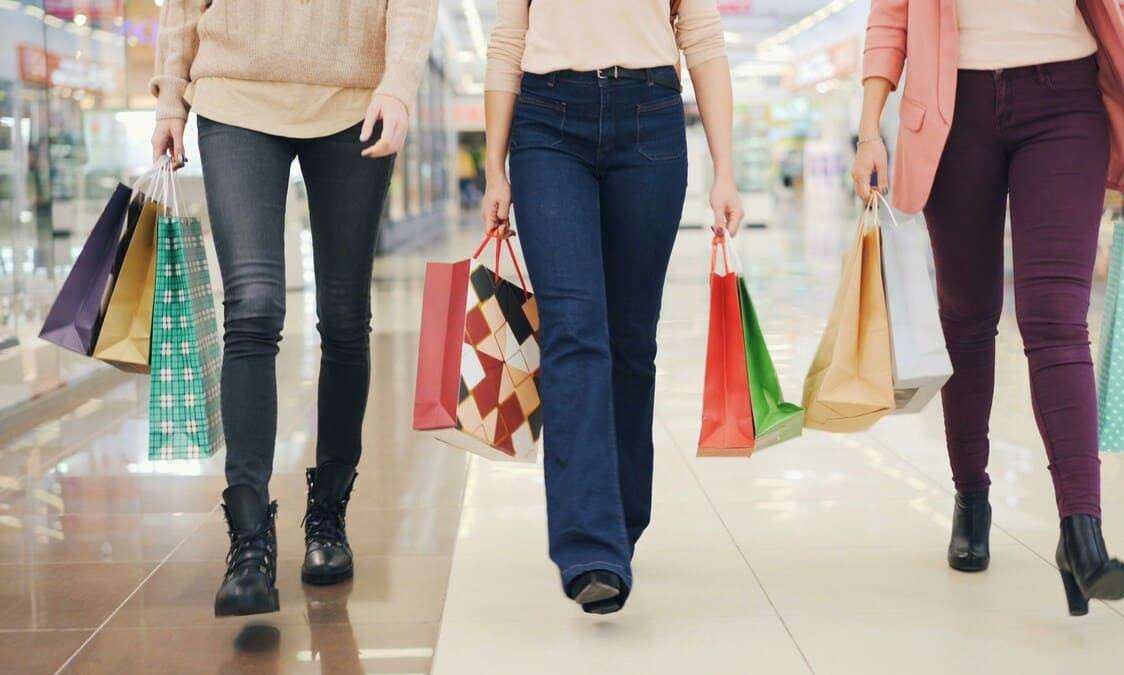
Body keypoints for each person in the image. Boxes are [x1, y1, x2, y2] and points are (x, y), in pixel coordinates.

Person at [852, 0, 1124, 615]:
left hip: (1068, 96)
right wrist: (869, 130)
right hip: (952, 106)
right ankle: (972, 497)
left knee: (1056, 318)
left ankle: (1082, 530)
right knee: (967, 317)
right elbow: (890, 17)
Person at [150, 0, 438, 617]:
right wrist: (172, 94)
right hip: (235, 92)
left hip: (353, 97)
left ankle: (328, 518)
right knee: (251, 306)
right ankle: (249, 540)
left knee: (342, 316)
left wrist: (401, 82)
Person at [482, 0, 742, 614]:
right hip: (547, 124)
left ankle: (620, 521)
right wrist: (495, 168)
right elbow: (507, 40)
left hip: (649, 120)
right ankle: (589, 548)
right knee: (575, 330)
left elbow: (701, 37)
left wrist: (725, 169)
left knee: (630, 342)